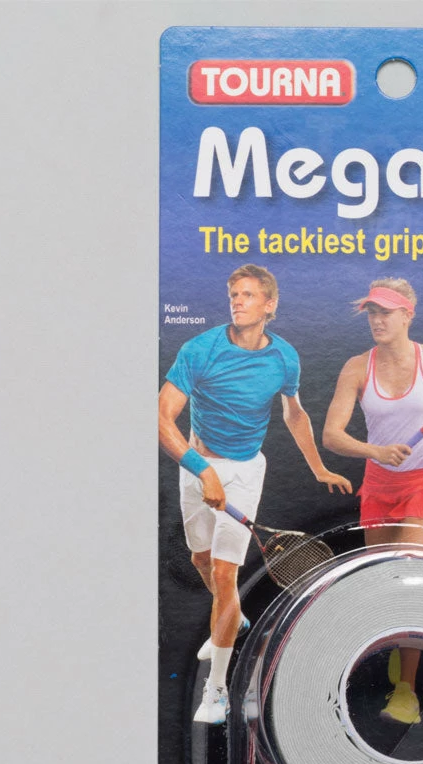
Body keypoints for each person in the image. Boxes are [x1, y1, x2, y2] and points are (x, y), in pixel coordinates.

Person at [159, 264, 352, 724]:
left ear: (270, 304)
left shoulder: (284, 358)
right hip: (196, 465)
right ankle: (233, 617)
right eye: (233, 295)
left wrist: (319, 467)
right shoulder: (200, 350)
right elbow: (162, 418)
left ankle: (217, 691)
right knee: (200, 561)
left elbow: (295, 414)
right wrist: (202, 470)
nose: (237, 302)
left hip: (245, 473)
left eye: (247, 295)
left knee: (224, 574)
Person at [323, 278, 423, 725]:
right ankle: (392, 653)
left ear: (408, 315)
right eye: (371, 312)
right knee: (383, 581)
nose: (376, 320)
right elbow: (331, 435)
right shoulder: (356, 367)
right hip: (379, 486)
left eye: (385, 312)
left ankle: (406, 691)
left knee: (408, 572)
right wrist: (375, 451)